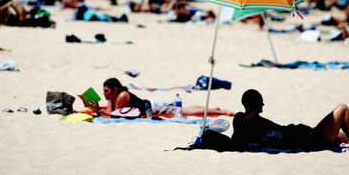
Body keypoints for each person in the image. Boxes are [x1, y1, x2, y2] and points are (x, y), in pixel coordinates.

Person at [232, 89, 349, 150]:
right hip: (311, 140)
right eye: (260, 102)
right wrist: (251, 111)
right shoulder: (242, 119)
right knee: (342, 110)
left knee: (340, 134)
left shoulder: (250, 121)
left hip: (304, 135)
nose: (264, 105)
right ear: (254, 104)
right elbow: (242, 121)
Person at [81, 78, 235, 118]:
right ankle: (215, 109)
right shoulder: (113, 96)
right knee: (184, 109)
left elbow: (115, 114)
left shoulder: (122, 95)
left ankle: (220, 111)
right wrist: (98, 108)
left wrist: (97, 110)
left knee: (185, 111)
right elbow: (109, 110)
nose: (104, 94)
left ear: (115, 89)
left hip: (154, 107)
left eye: (106, 91)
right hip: (150, 105)